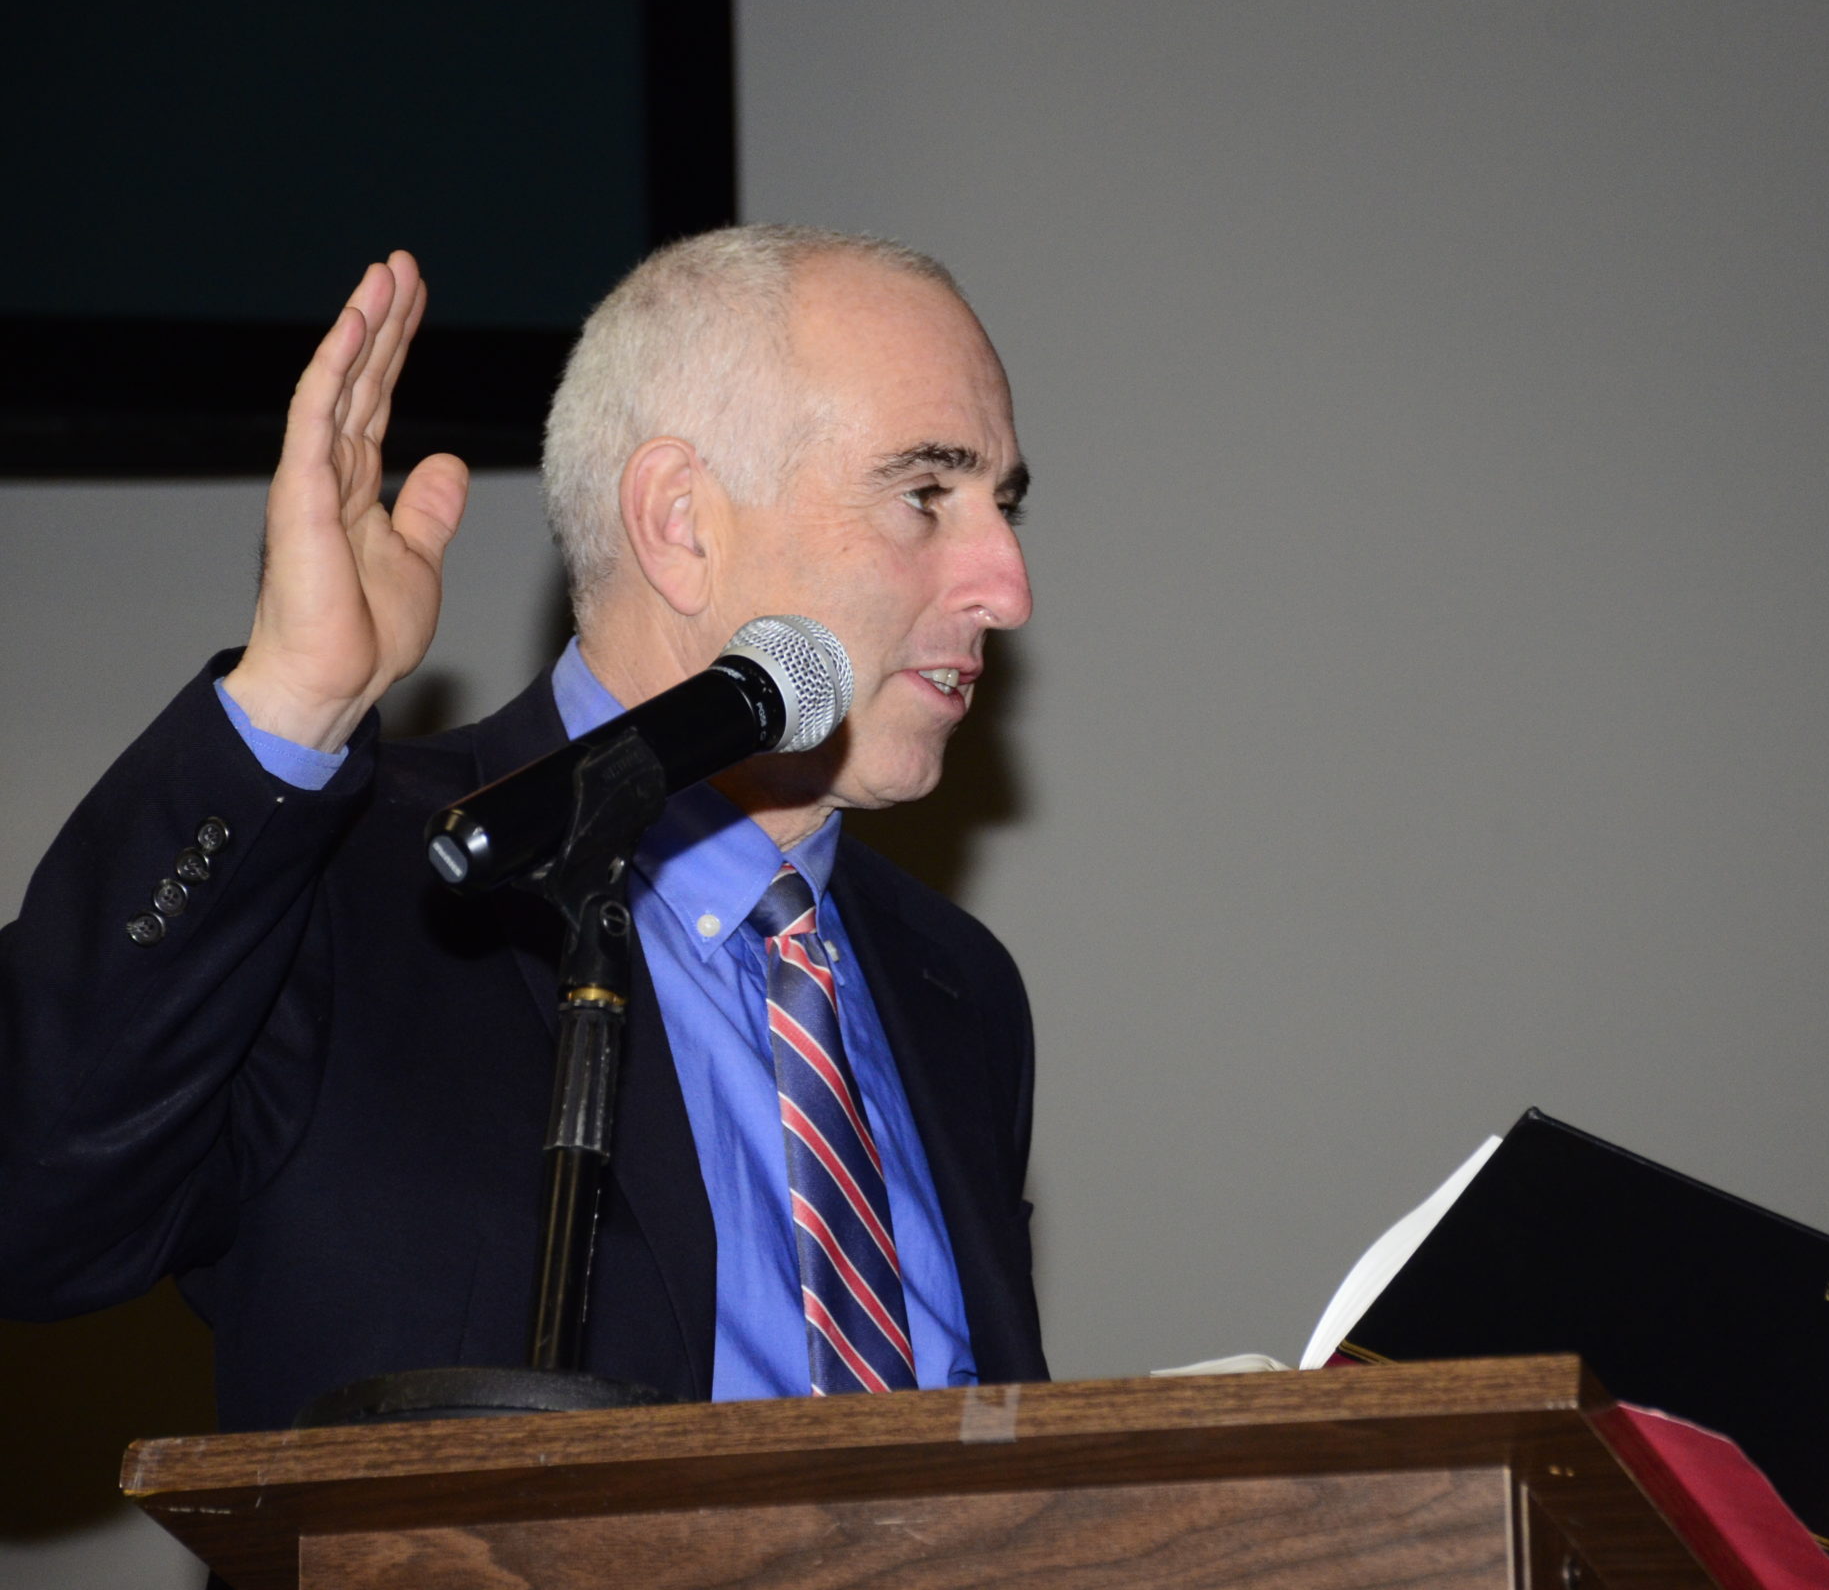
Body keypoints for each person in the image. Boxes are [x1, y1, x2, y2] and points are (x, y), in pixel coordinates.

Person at [0, 227, 1048, 1427]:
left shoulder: (959, 989)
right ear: (679, 522)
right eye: (925, 492)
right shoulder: (356, 886)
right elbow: (32, 1211)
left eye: (1002, 505)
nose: (1006, 584)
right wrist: (293, 701)